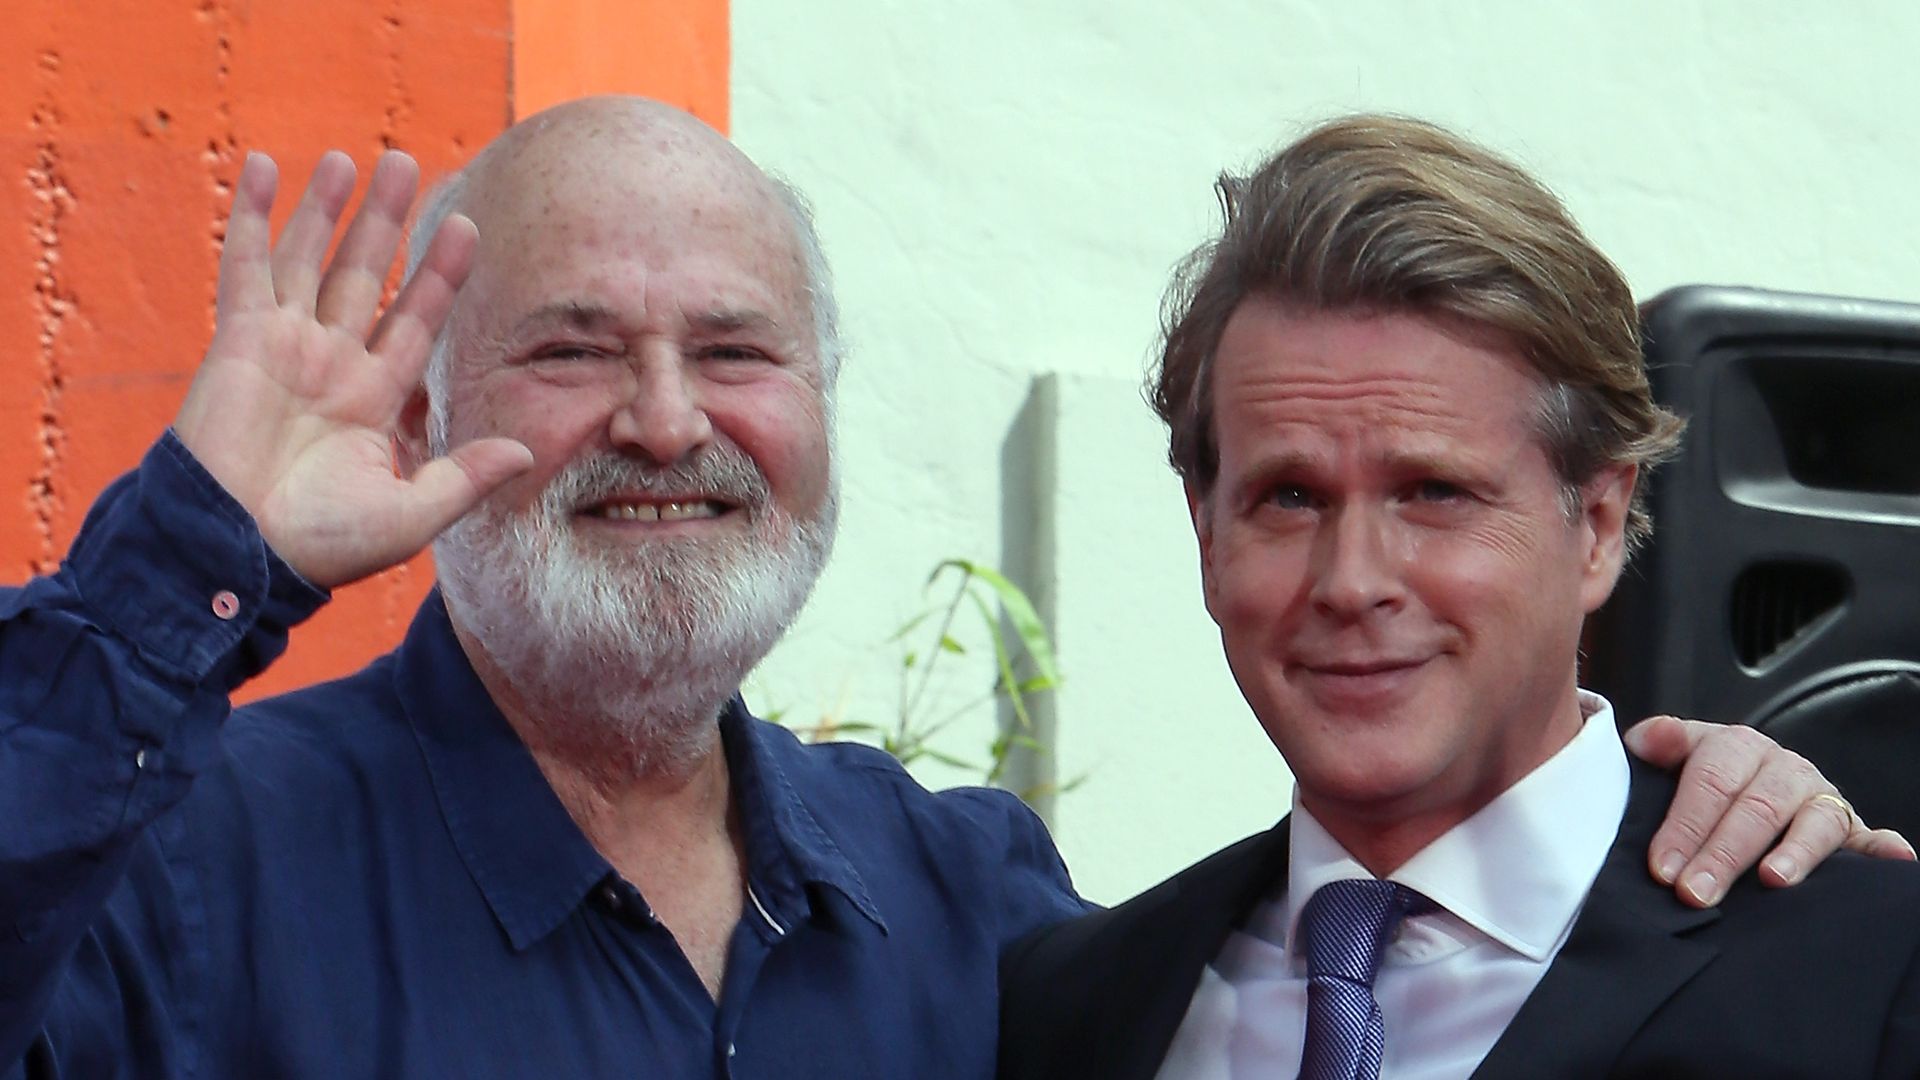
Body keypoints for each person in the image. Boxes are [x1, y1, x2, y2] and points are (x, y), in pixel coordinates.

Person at [0, 98, 1899, 1078]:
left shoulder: (996, 926)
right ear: (428, 400)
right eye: (571, 348)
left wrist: (1733, 797)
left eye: (736, 349)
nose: (666, 423)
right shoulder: (178, 872)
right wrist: (192, 546)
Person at [995, 114, 1920, 1080]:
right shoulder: (1073, 1008)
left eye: (1434, 492)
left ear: (1598, 524)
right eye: (1291, 497)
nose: (1352, 581)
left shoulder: (1871, 981)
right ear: (1208, 534)